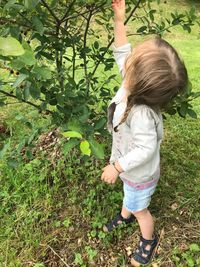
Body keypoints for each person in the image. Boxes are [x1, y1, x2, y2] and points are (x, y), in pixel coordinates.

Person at [100, 0, 188, 266]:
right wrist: (119, 20)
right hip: (130, 171)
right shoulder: (133, 84)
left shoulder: (141, 114)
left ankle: (148, 239)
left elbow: (145, 149)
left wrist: (117, 166)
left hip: (139, 173)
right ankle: (125, 215)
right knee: (130, 195)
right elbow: (121, 51)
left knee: (140, 207)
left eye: (133, 60)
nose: (128, 60)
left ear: (137, 78)